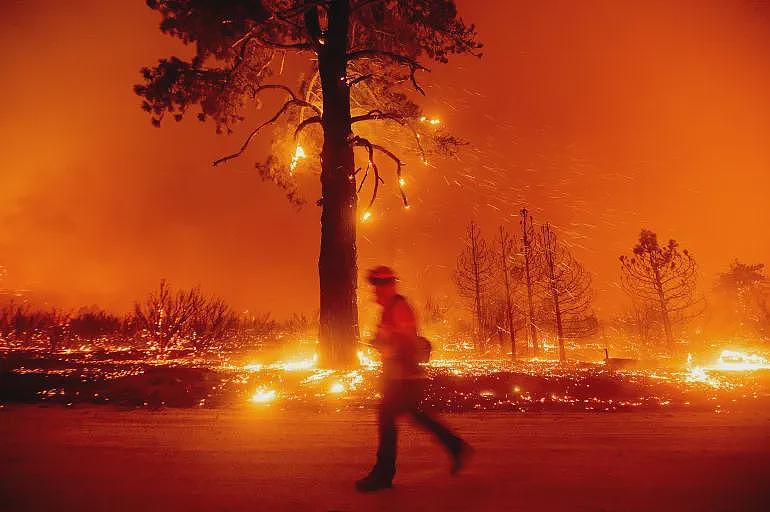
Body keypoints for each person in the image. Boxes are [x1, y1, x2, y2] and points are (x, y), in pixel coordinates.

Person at [355, 266, 472, 493]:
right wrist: (380, 342)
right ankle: (456, 446)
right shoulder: (390, 309)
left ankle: (383, 475)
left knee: (387, 420)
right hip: (399, 375)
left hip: (402, 377)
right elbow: (392, 339)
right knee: (416, 416)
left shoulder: (399, 308)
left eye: (377, 286)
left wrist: (386, 347)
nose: (374, 292)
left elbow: (406, 342)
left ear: (388, 286)